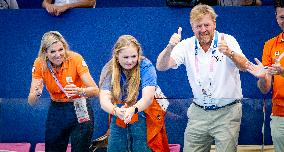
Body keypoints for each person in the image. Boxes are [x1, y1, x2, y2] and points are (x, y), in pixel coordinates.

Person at [156, 4, 250, 152]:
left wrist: (230, 53)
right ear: (192, 27)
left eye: (207, 24)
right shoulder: (186, 45)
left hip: (227, 112)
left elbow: (245, 66)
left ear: (214, 23)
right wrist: (169, 47)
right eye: (198, 26)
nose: (203, 29)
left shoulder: (227, 40)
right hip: (199, 113)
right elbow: (161, 66)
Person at [28, 31, 99, 152]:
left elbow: (96, 91)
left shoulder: (75, 58)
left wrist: (80, 90)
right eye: (52, 51)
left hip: (80, 106)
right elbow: (31, 102)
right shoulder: (39, 63)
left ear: (65, 48)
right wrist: (37, 93)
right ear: (45, 53)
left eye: (61, 49)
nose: (58, 55)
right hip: (57, 108)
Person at [99, 35, 169, 152]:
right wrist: (115, 110)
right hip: (119, 112)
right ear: (117, 56)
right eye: (125, 57)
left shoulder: (146, 66)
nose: (130, 61)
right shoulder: (109, 68)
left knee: (143, 147)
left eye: (133, 56)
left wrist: (133, 110)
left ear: (138, 54)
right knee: (115, 146)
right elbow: (104, 100)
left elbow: (147, 98)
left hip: (144, 110)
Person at [246, 0, 284, 151]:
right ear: (276, 18)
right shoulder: (270, 45)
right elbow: (265, 89)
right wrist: (263, 77)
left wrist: (282, 72)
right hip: (280, 115)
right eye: (282, 17)